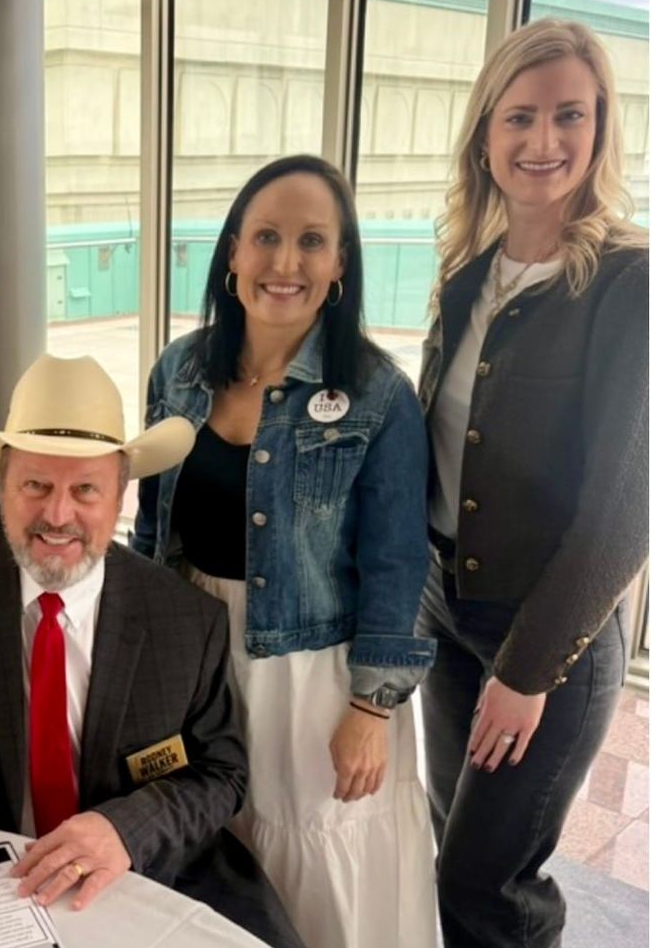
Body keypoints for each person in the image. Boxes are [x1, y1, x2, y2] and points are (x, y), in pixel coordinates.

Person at [0, 354, 304, 947]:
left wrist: (124, 829)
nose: (57, 516)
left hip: (137, 882)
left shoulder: (186, 618)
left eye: (85, 489)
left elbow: (221, 772)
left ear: (119, 496)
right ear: (2, 485)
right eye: (35, 485)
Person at [132, 154, 438, 948]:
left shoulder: (377, 393)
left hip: (316, 674)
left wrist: (371, 709)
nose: (285, 262)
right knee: (212, 838)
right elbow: (151, 527)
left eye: (311, 241)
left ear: (340, 264)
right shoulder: (179, 370)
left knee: (314, 853)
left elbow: (398, 559)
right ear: (233, 250)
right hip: (196, 654)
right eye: (266, 236)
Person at [416, 20, 648, 948]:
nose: (543, 140)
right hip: (444, 611)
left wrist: (525, 671)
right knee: (452, 842)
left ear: (600, 129)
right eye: (519, 117)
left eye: (569, 115)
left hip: (547, 636)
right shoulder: (466, 275)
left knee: (487, 886)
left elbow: (626, 508)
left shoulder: (629, 283)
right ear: (485, 135)